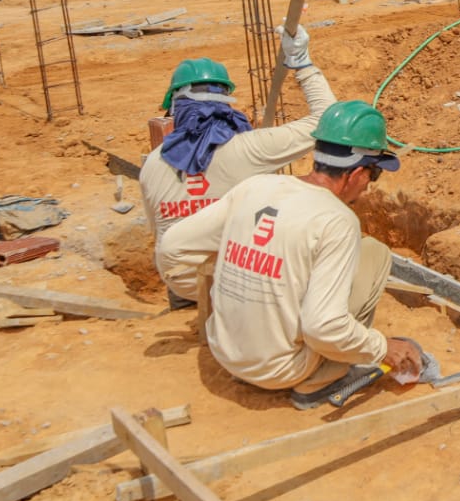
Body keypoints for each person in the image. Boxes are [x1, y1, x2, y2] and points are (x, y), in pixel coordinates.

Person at [157, 100, 421, 407]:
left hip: (225, 352)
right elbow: (323, 327)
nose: (368, 188)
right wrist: (381, 347)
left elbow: (172, 246)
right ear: (358, 173)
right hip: (279, 370)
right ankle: (323, 378)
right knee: (374, 253)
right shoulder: (336, 219)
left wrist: (230, 284)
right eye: (373, 177)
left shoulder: (256, 187)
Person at [141, 27, 335, 308]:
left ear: (175, 107)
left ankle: (192, 307)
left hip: (182, 284)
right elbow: (325, 120)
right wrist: (302, 62)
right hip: (243, 281)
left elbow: (156, 230)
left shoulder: (153, 164)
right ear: (227, 105)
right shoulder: (249, 149)